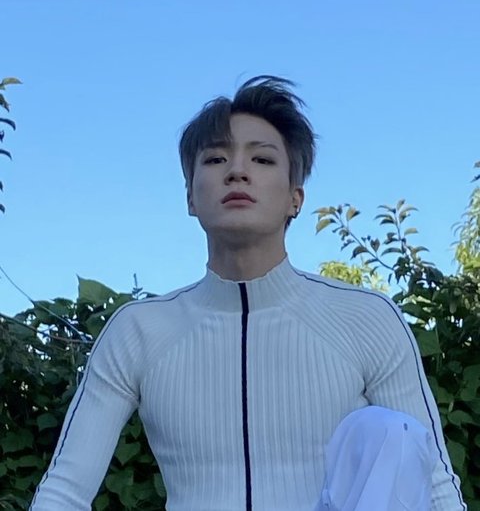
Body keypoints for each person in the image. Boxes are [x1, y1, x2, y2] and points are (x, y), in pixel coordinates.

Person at [30, 76, 466, 510]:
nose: (237, 171)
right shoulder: (139, 329)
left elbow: (435, 484)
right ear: (190, 197)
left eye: (262, 159)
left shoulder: (366, 317)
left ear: (295, 198)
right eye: (216, 158)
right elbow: (64, 490)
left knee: (385, 429)